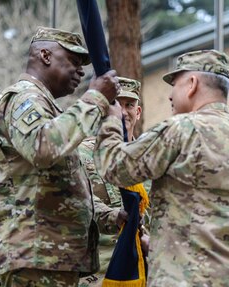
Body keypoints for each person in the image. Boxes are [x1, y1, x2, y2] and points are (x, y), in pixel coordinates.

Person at [93, 49, 229, 286]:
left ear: (192, 84)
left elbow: (113, 166)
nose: (170, 95)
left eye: (175, 84)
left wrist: (111, 118)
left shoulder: (182, 129)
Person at [0, 26, 120, 287]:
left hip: (46, 256)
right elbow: (42, 148)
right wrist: (96, 98)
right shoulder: (24, 97)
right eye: (74, 61)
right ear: (45, 55)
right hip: (31, 255)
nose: (81, 71)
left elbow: (61, 190)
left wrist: (111, 216)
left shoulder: (49, 108)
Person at [78, 76, 148, 287]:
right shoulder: (81, 153)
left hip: (142, 271)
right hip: (98, 273)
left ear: (138, 112)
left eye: (130, 105)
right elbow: (79, 203)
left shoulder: (150, 157)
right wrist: (114, 216)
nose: (123, 111)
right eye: (117, 104)